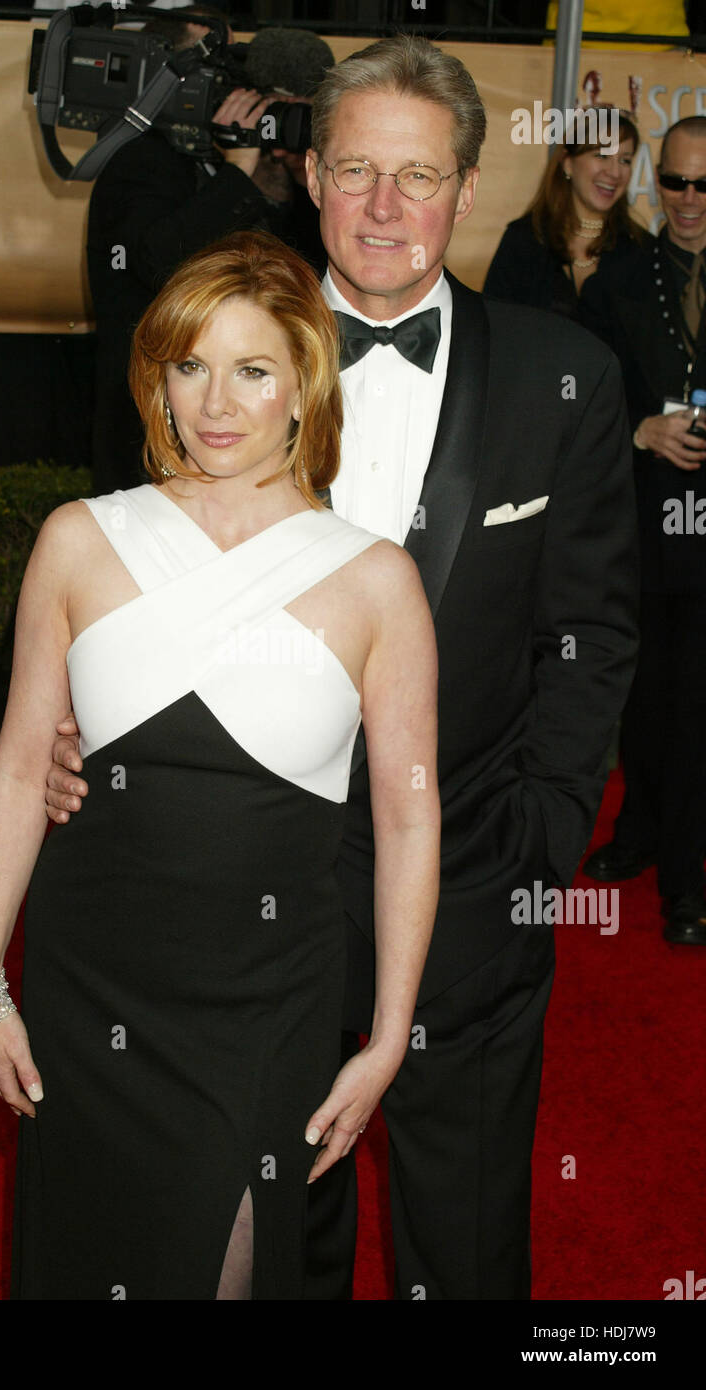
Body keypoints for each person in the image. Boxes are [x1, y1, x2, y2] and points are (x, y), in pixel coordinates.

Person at [46, 35, 639, 1300]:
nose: (383, 206)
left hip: (472, 868)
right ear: (309, 173)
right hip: (242, 894)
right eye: (356, 168)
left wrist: (534, 836)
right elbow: (123, 572)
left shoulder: (565, 379)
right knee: (263, 1225)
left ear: (466, 188)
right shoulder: (209, 353)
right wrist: (72, 730)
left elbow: (589, 635)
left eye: (416, 176)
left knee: (464, 1227)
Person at [0, 228, 441, 1300]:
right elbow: (20, 763)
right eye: (190, 365)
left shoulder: (372, 579)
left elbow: (408, 820)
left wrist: (389, 1031)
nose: (215, 402)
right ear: (156, 379)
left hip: (267, 1002)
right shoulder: (80, 538)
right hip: (95, 989)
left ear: (301, 386)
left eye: (252, 370)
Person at [87, 11, 330, 493]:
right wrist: (240, 167)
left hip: (261, 457)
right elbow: (159, 265)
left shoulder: (294, 183)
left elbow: (304, 292)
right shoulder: (145, 157)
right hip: (155, 442)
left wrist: (302, 180)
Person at [579, 116, 706, 945]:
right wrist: (638, 430)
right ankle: (642, 832)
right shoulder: (615, 280)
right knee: (649, 691)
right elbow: (576, 405)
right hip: (645, 520)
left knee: (696, 697)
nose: (688, 201)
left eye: (705, 186)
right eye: (674, 182)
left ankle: (687, 885)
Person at [483, 107, 644, 314]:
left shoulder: (639, 249)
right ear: (568, 163)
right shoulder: (524, 240)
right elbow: (493, 326)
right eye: (602, 155)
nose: (614, 172)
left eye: (625, 160)